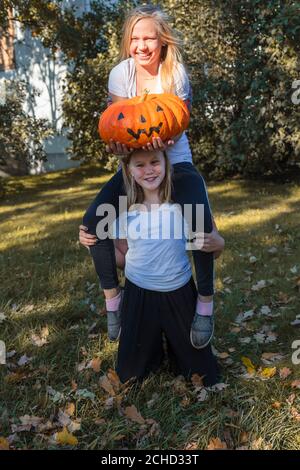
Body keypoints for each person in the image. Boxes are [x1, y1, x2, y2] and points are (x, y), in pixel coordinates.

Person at [79, 4, 225, 349]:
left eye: (149, 38)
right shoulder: (120, 74)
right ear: (128, 41)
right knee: (92, 227)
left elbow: (176, 122)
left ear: (162, 42)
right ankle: (114, 300)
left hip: (175, 161)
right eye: (135, 38)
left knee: (201, 228)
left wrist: (162, 142)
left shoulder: (175, 74)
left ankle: (205, 303)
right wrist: (119, 149)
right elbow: (121, 122)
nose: (142, 45)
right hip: (135, 167)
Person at [114, 147, 220, 384]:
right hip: (139, 293)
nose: (149, 170)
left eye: (155, 161)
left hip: (179, 291)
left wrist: (219, 241)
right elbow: (121, 256)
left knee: (204, 376)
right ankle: (150, 348)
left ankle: (176, 346)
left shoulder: (186, 204)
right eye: (140, 165)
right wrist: (93, 244)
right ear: (129, 171)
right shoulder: (124, 210)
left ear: (167, 163)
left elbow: (213, 251)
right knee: (128, 376)